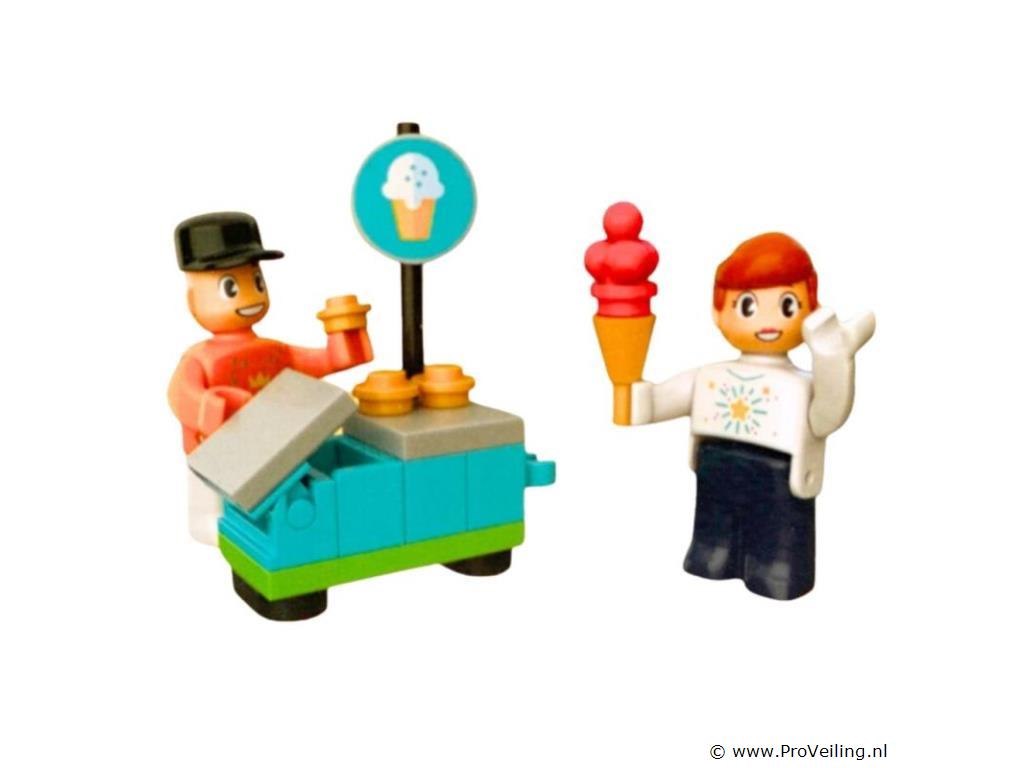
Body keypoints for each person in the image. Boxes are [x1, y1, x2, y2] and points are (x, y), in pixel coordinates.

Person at [630, 232, 874, 599]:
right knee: (713, 533)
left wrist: (833, 360)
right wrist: (634, 396)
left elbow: (826, 416)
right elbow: (658, 401)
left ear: (810, 309)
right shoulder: (710, 376)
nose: (768, 320)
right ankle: (713, 554)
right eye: (748, 306)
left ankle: (775, 569)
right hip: (716, 464)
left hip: (778, 476)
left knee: (777, 544)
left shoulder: (801, 386)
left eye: (787, 305)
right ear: (718, 312)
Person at [168, 212, 372, 543]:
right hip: (216, 457)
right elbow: (181, 395)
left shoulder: (273, 352)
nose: (250, 297)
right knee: (213, 500)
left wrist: (344, 341)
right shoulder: (198, 360)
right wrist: (214, 406)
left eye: (257, 282)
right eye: (231, 287)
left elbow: (317, 362)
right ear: (193, 301)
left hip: (272, 453)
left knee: (282, 489)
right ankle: (216, 522)